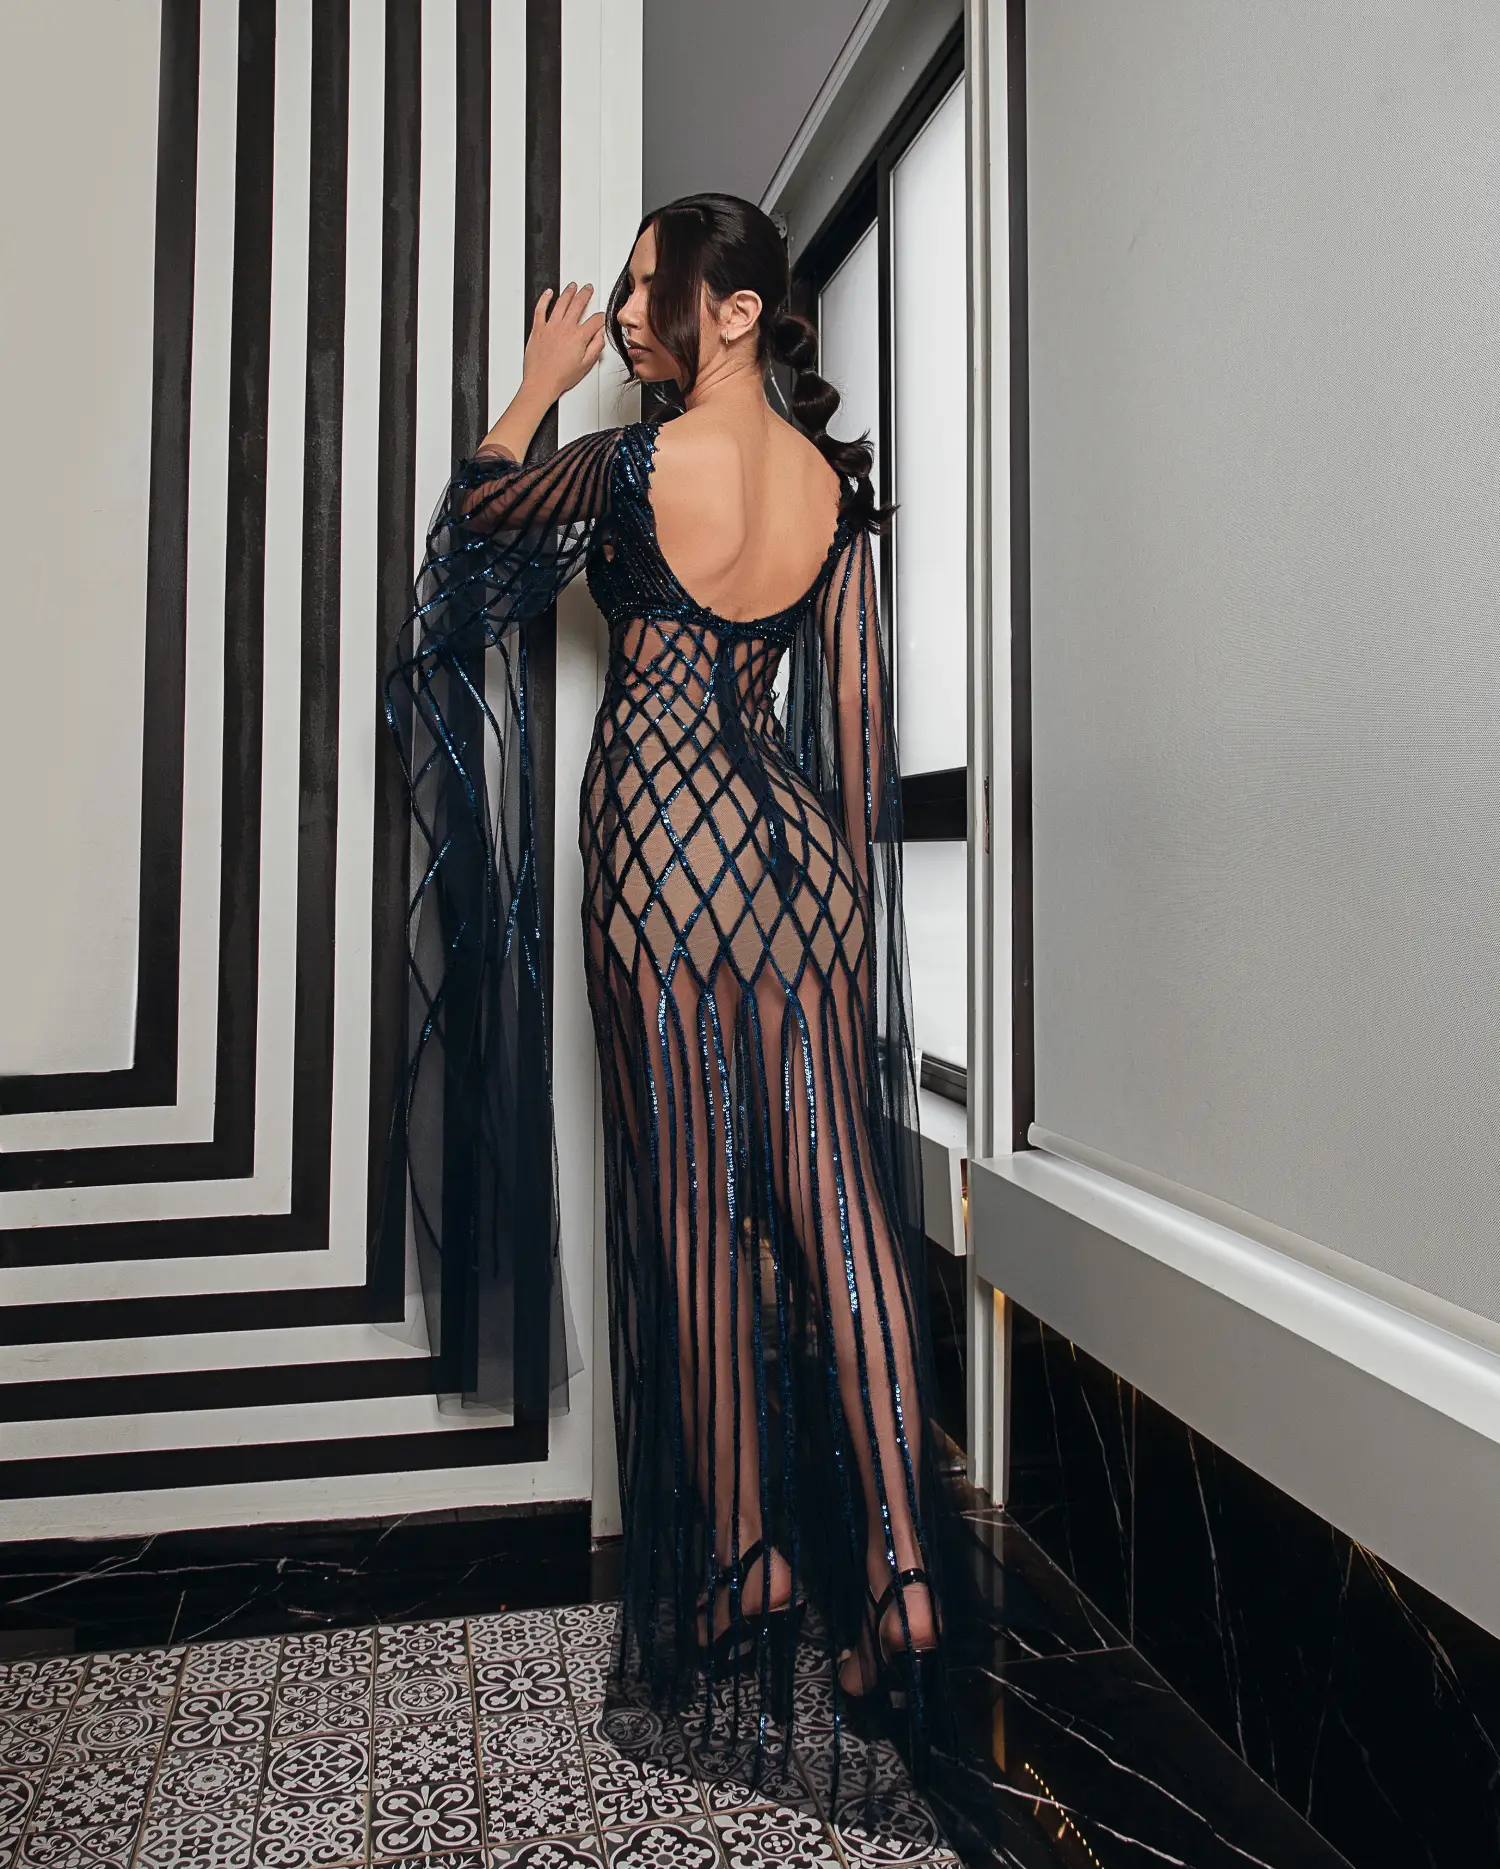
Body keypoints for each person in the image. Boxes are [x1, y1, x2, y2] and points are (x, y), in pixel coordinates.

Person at [388, 194, 950, 1769]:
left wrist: (531, 386)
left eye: (653, 292)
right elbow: (855, 736)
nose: (629, 316)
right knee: (840, 1213)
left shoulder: (630, 466)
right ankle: (904, 1576)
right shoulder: (833, 490)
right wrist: (837, 917)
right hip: (800, 863)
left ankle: (750, 1558)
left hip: (661, 849)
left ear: (737, 309)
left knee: (696, 1214)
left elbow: (471, 538)